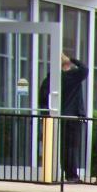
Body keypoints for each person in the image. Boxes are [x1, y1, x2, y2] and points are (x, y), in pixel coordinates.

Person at [40, 52, 89, 182]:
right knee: (72, 147)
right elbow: (84, 69)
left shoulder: (50, 80)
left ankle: (58, 173)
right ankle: (71, 175)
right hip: (72, 116)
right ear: (66, 64)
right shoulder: (72, 77)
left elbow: (43, 100)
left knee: (61, 147)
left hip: (57, 118)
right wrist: (72, 59)